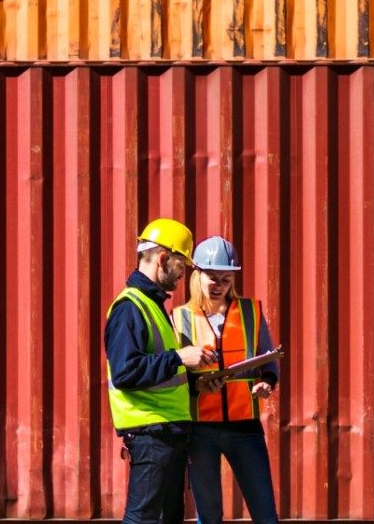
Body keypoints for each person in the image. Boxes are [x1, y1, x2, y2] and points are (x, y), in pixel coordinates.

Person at [104, 218, 219, 524]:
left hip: (167, 433)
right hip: (152, 433)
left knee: (166, 519)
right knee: (143, 519)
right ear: (164, 258)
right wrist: (180, 356)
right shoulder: (130, 307)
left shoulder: (153, 306)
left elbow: (162, 374)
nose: (183, 274)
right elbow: (126, 373)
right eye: (181, 266)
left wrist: (197, 385)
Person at [169, 236, 280, 524]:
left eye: (226, 279)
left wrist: (267, 380)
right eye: (212, 278)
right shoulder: (179, 318)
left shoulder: (250, 312)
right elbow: (174, 373)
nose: (218, 285)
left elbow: (267, 357)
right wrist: (197, 384)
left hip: (245, 428)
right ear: (197, 275)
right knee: (209, 516)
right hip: (200, 431)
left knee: (266, 514)